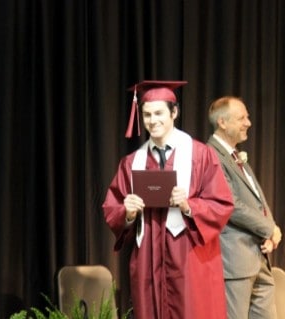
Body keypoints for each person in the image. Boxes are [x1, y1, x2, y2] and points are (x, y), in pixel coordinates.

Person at [102, 81, 234, 319]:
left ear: (174, 112)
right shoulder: (132, 162)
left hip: (190, 259)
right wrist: (128, 213)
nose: (153, 120)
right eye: (147, 114)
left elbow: (222, 204)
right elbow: (113, 207)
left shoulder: (201, 155)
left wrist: (189, 205)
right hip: (148, 263)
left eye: (159, 113)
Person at [206, 96, 282, 319]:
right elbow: (230, 204)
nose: (248, 122)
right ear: (222, 122)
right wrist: (268, 229)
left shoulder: (237, 156)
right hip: (235, 259)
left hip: (258, 255)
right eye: (242, 118)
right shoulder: (211, 155)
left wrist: (271, 230)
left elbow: (257, 198)